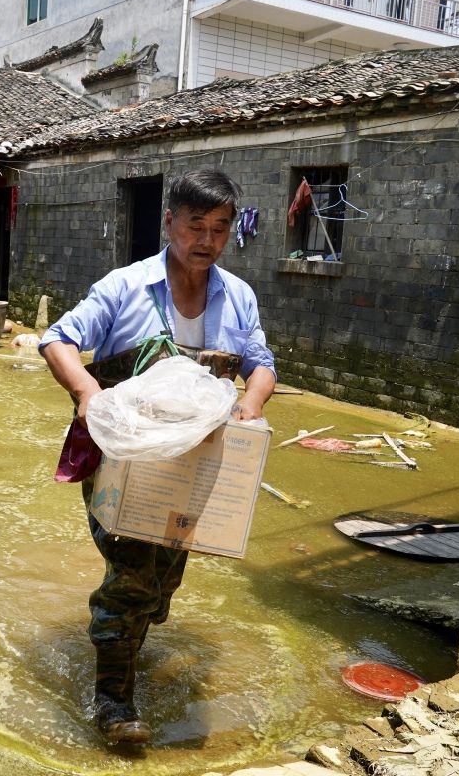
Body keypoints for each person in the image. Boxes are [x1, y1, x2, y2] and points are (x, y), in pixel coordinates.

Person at [39, 168, 276, 746]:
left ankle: (128, 647)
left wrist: (248, 404)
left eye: (220, 229)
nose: (208, 240)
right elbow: (57, 339)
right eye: (196, 226)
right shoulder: (125, 287)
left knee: (164, 578)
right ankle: (114, 702)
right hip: (123, 459)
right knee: (132, 573)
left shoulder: (237, 295)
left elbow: (261, 362)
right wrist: (86, 393)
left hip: (193, 467)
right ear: (169, 223)